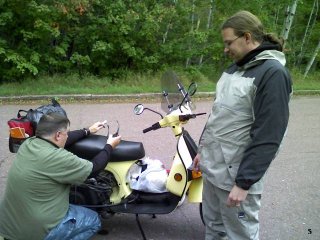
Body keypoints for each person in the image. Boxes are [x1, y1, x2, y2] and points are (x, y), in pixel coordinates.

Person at [193, 11, 292, 240]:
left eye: (229, 42)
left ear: (247, 37)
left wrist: (243, 183)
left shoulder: (272, 73)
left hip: (235, 177)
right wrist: (202, 150)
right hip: (213, 169)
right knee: (214, 228)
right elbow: (217, 116)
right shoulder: (234, 69)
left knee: (240, 235)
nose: (225, 49)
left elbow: (269, 135)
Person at [0, 112, 121, 240]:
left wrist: (87, 131)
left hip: (8, 226)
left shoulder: (28, 143)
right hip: (35, 232)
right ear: (58, 135)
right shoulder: (58, 157)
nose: (67, 135)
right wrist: (110, 146)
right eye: (66, 133)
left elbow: (64, 140)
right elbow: (94, 168)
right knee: (93, 220)